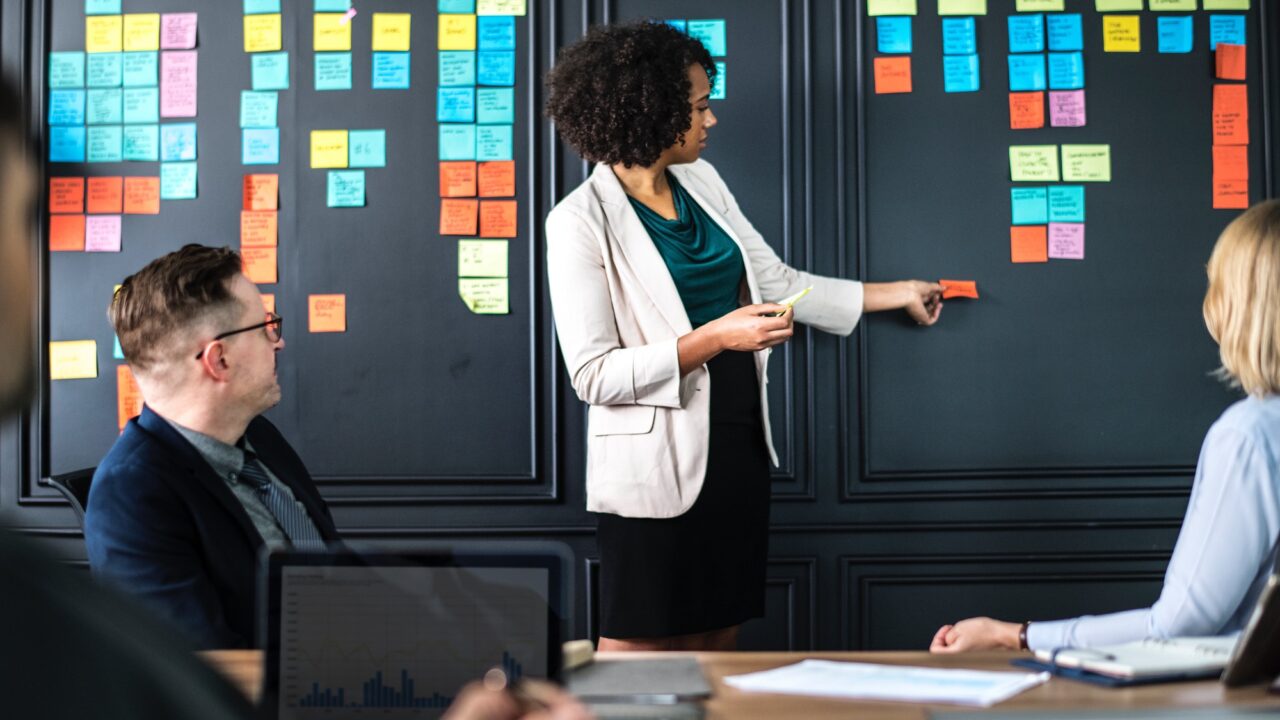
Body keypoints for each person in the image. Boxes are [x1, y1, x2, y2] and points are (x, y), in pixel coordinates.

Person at [543, 21, 944, 652]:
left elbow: (774, 278)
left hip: (736, 441)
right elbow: (593, 373)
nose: (713, 119)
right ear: (649, 110)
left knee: (717, 640)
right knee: (637, 653)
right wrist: (716, 338)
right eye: (700, 105)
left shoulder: (702, 182)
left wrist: (894, 293)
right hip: (655, 466)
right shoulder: (577, 222)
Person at [0, 73, 257, 719]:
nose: (28, 268)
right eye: (19, 216)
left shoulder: (261, 446)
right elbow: (199, 686)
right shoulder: (131, 496)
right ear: (218, 358)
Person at [931, 200, 1280, 654]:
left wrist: (1013, 635)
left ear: (1241, 304)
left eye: (1217, 285)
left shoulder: (1248, 437)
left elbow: (1181, 624)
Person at [85, 244, 342, 649]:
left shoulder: (260, 437)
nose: (279, 343)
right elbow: (203, 678)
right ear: (218, 360)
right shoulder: (130, 497)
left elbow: (333, 569)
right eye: (265, 328)